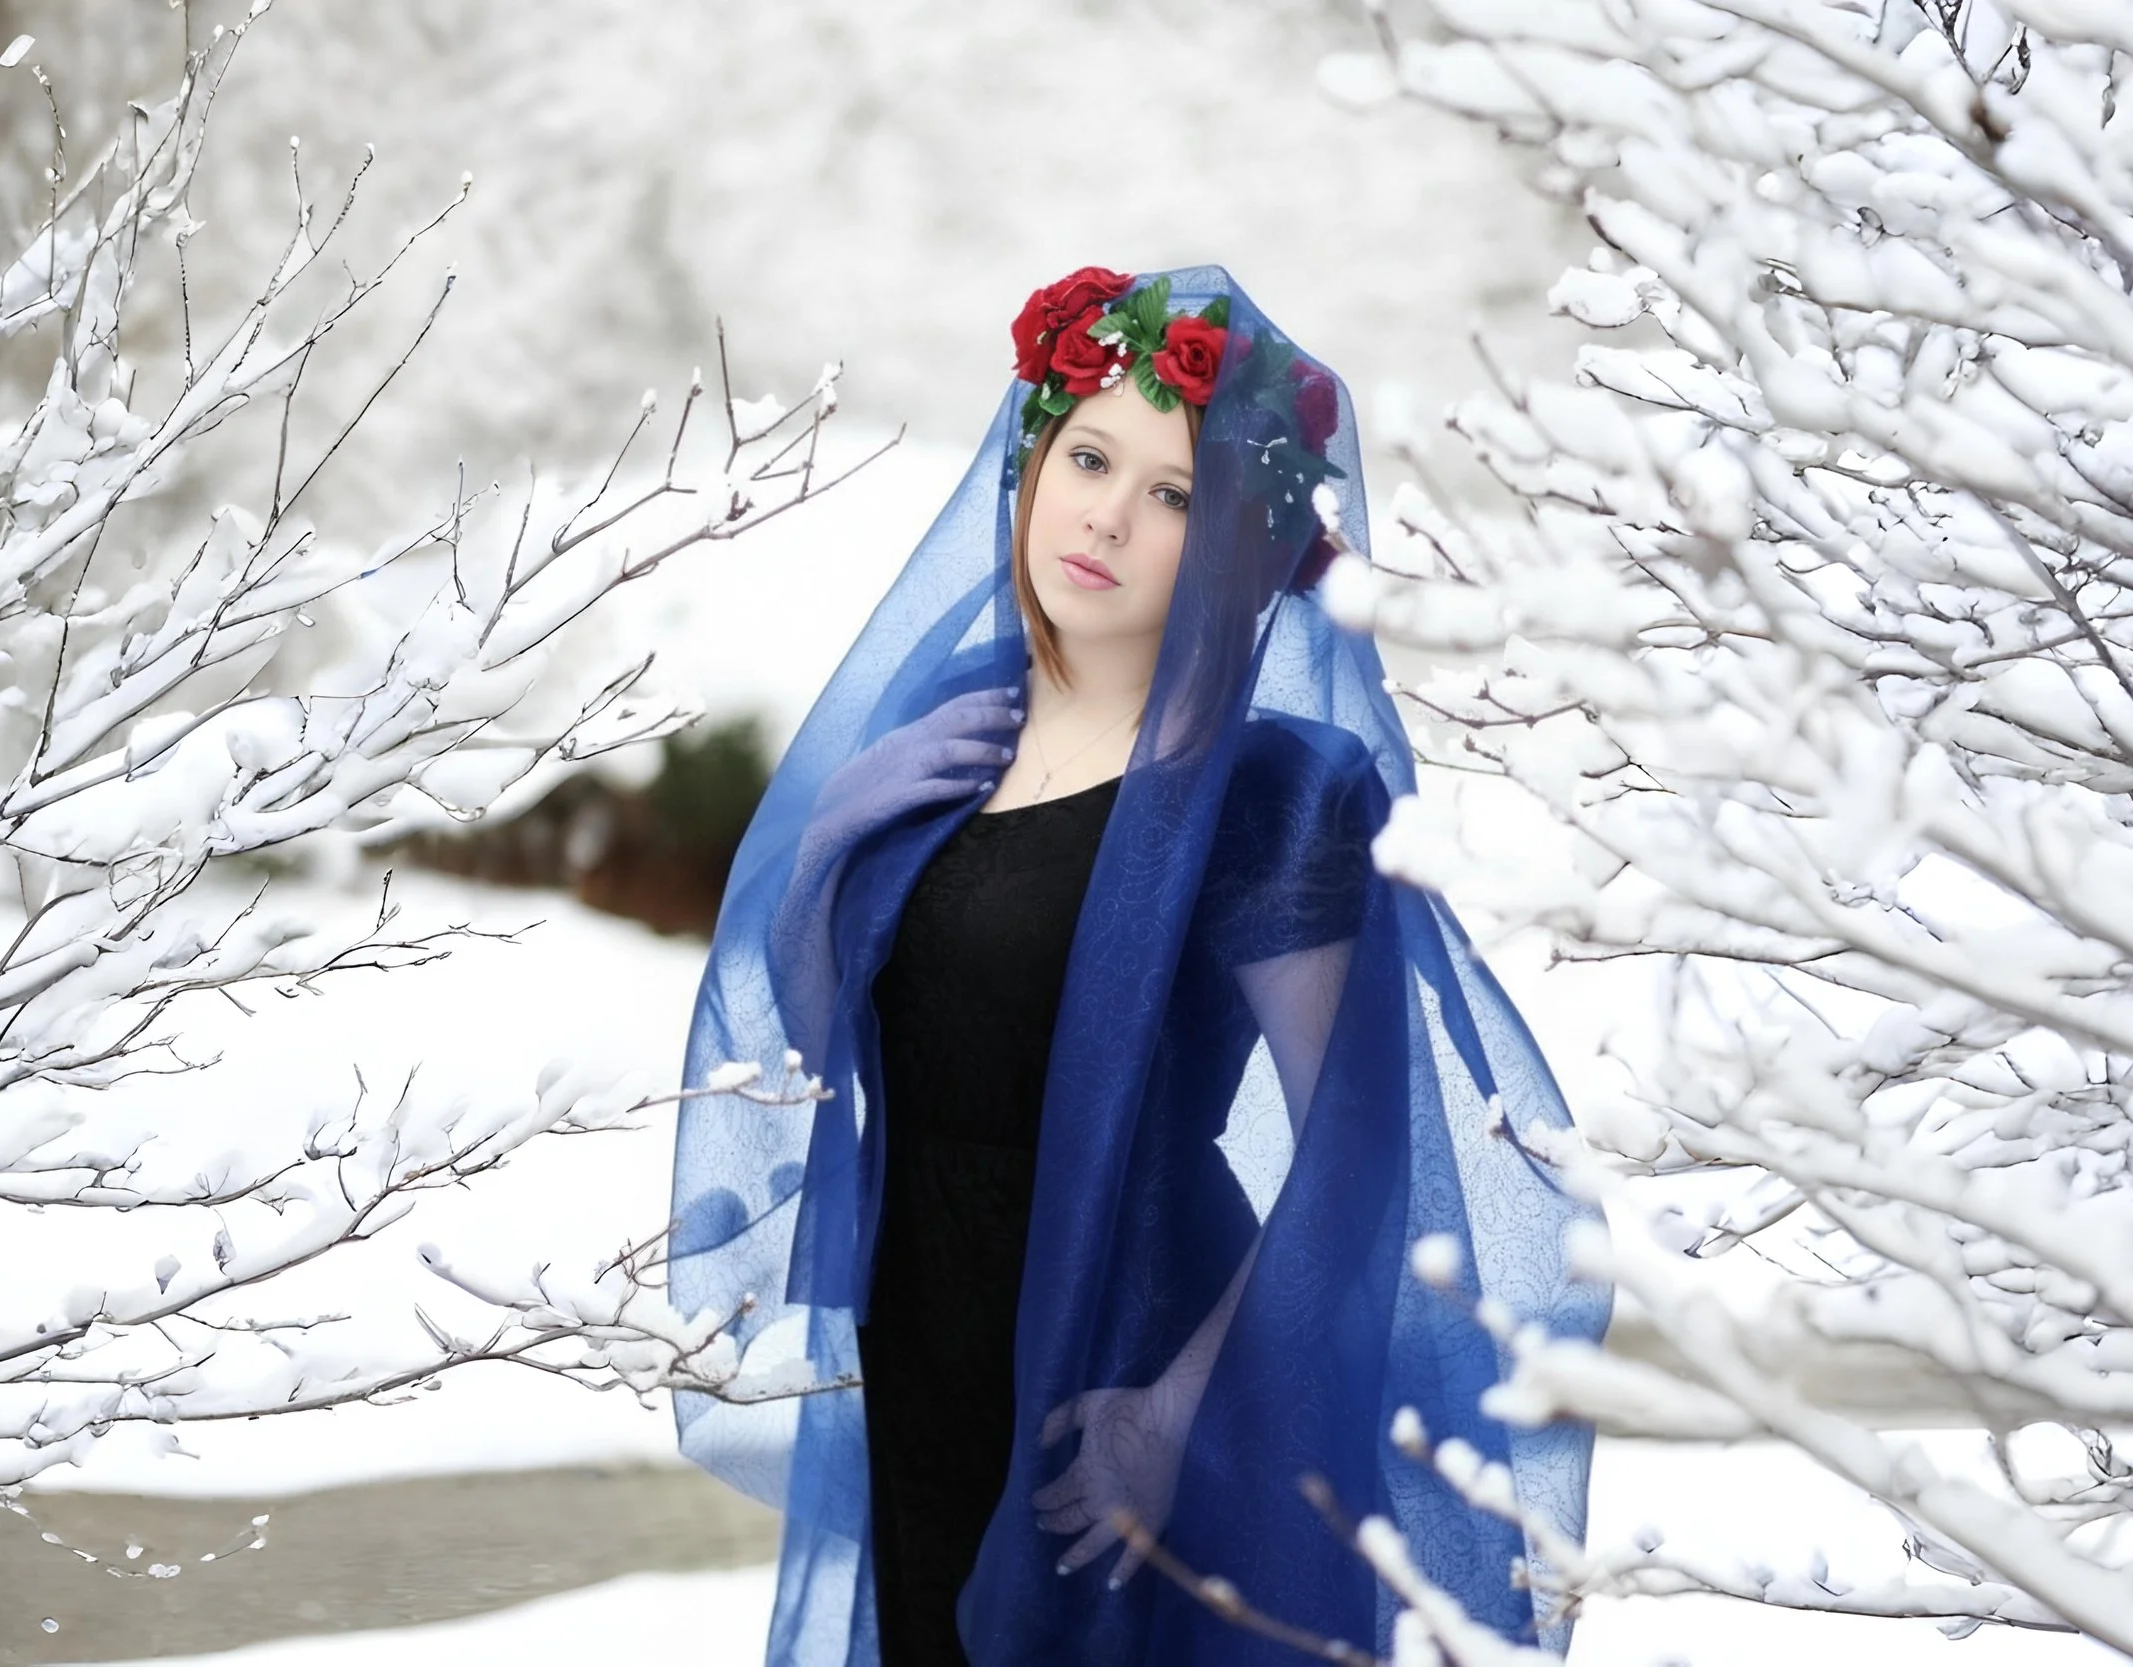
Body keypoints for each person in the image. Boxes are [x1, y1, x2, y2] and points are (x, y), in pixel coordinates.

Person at [671, 266, 1603, 1667]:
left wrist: (1178, 1414)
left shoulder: (1272, 788)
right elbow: (813, 1050)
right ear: (1032, 464)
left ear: (1236, 547)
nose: (1105, 512)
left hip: (1127, 1391)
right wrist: (831, 853)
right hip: (926, 1365)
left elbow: (1358, 1145)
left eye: (1173, 495)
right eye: (1089, 457)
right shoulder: (948, 732)